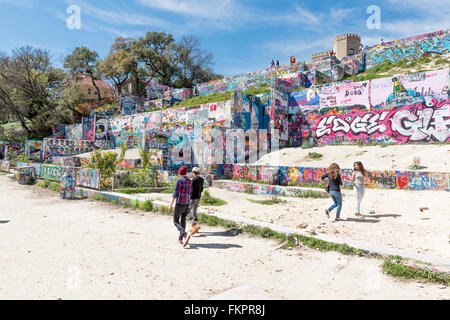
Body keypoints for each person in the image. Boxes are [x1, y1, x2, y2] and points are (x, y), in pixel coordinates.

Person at [169, 166, 192, 244]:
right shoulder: (189, 181)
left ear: (180, 173)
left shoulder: (178, 181)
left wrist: (171, 205)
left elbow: (175, 194)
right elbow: (190, 193)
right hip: (186, 204)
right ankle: (180, 239)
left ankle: (184, 234)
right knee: (183, 221)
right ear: (186, 172)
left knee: (175, 221)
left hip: (179, 204)